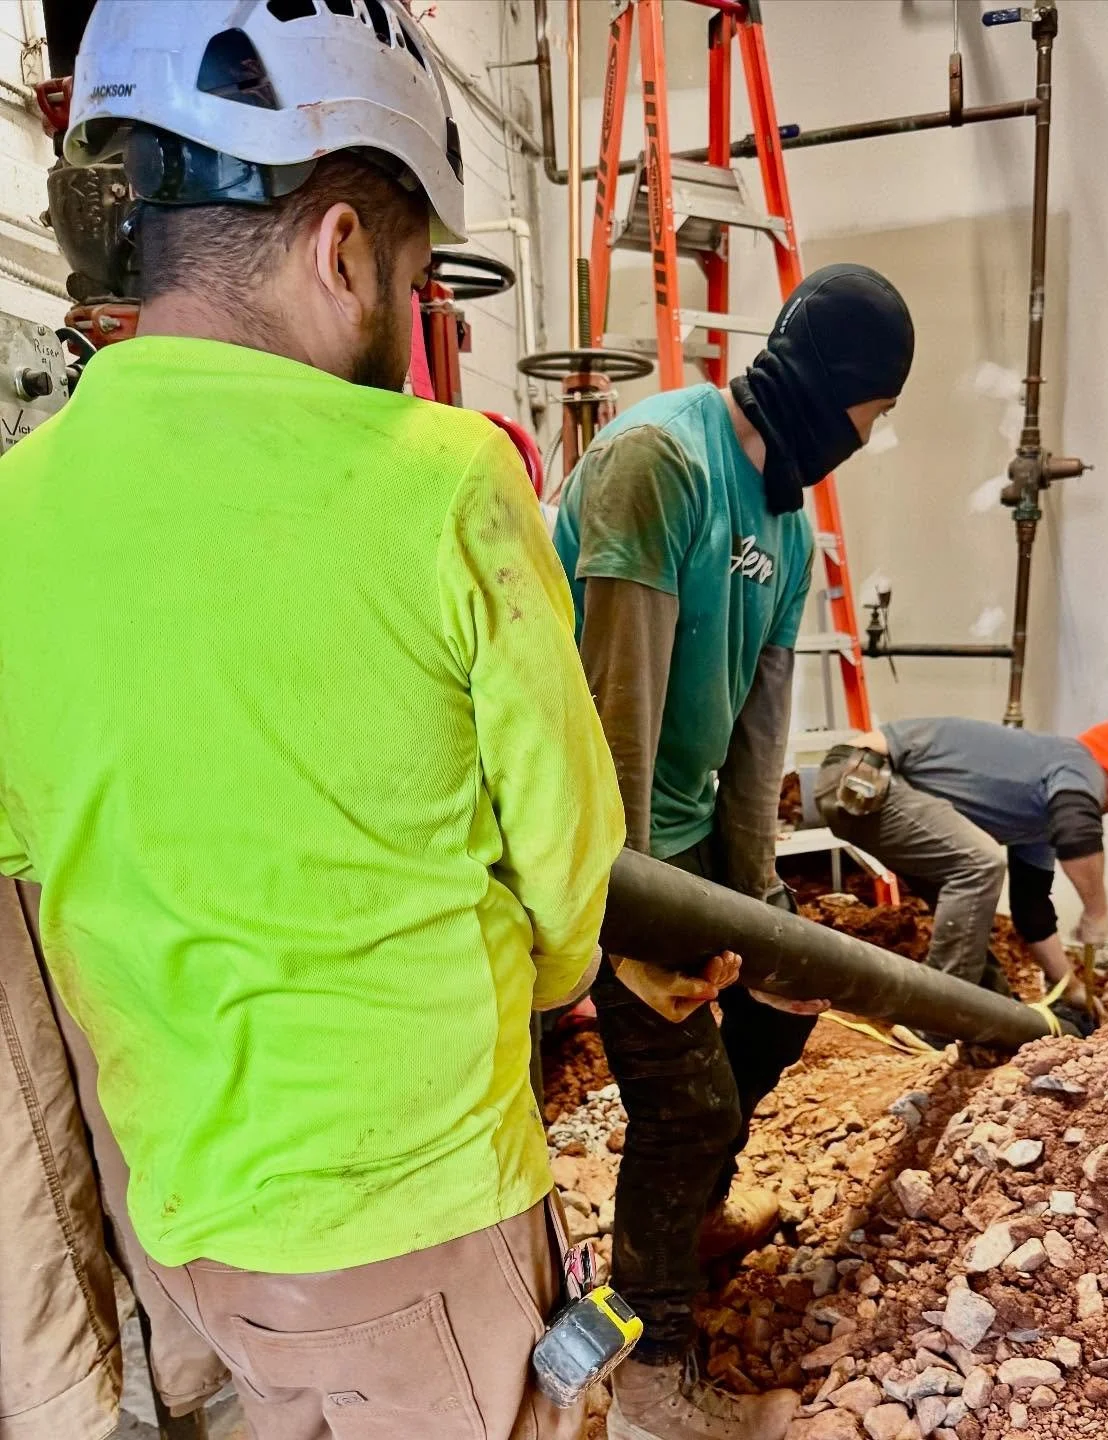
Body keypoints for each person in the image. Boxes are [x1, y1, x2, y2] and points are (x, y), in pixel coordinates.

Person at [0, 5, 624, 1438]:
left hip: (190, 1234)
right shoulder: (446, 481)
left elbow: (34, 871)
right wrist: (555, 974)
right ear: (343, 250)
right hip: (418, 1217)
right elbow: (568, 863)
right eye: (411, 276)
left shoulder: (13, 517)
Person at [552, 264, 915, 1440]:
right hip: (590, 838)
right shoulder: (660, 464)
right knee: (689, 1103)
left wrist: (761, 915)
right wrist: (636, 929)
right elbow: (615, 725)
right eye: (873, 413)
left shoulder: (789, 526)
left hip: (687, 834)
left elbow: (757, 743)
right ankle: (650, 1367)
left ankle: (691, 1215)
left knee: (786, 1001)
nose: (868, 438)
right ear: (835, 386)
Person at [815, 718, 1108, 1008]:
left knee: (968, 904)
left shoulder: (1039, 815)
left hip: (868, 783)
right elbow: (1077, 832)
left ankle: (988, 1010)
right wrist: (1097, 912)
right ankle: (938, 1017)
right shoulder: (1079, 762)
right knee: (980, 865)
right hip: (862, 776)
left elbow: (1032, 911)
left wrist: (1072, 989)